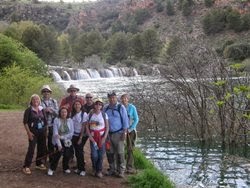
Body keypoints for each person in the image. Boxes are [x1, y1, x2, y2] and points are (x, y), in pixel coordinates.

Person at [103, 91, 129, 178]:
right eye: (110, 97)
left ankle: (121, 170)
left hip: (119, 133)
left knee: (120, 152)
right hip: (108, 134)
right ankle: (112, 169)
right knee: (109, 152)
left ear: (116, 97)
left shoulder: (120, 107)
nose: (112, 99)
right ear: (108, 98)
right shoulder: (106, 108)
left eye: (113, 97)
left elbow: (125, 120)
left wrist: (124, 132)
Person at [22, 94, 47, 175]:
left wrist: (45, 131)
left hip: (42, 132)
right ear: (31, 101)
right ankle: (26, 166)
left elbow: (45, 121)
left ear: (39, 101)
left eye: (37, 99)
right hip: (33, 133)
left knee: (41, 148)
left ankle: (39, 164)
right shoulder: (28, 110)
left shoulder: (42, 109)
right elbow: (25, 122)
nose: (36, 101)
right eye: (34, 99)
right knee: (31, 149)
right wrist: (29, 133)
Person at [86, 98, 109, 178]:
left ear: (102, 106)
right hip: (93, 137)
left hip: (102, 136)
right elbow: (87, 127)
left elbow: (107, 127)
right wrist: (90, 137)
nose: (98, 105)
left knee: (101, 154)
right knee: (94, 155)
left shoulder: (104, 114)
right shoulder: (90, 114)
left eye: (100, 104)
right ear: (94, 105)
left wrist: (104, 137)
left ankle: (99, 170)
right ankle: (94, 168)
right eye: (96, 104)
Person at [47, 106, 74, 176]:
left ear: (67, 113)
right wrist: (59, 145)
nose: (64, 113)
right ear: (60, 113)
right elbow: (55, 134)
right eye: (62, 112)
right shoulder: (56, 120)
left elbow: (71, 133)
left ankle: (65, 168)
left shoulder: (70, 120)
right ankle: (52, 168)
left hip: (67, 139)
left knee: (67, 154)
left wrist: (63, 137)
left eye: (65, 112)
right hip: (57, 140)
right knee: (58, 154)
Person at [120, 93, 139, 174]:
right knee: (121, 149)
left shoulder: (132, 107)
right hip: (121, 131)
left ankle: (130, 167)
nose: (124, 100)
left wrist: (130, 129)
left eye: (125, 98)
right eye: (122, 98)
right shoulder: (120, 107)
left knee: (130, 149)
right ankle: (121, 166)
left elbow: (136, 119)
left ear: (128, 99)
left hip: (131, 131)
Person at [40, 85, 58, 164]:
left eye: (47, 91)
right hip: (42, 126)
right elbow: (35, 112)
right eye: (44, 91)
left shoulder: (54, 101)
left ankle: (51, 158)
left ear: (50, 93)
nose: (46, 93)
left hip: (52, 125)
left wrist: (51, 110)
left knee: (51, 143)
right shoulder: (39, 101)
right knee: (42, 143)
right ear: (42, 93)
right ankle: (43, 158)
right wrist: (44, 110)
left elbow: (58, 113)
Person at [71, 99, 88, 176]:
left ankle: (82, 169)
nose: (77, 106)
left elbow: (84, 127)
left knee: (80, 152)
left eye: (78, 104)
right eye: (75, 104)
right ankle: (79, 167)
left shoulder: (84, 114)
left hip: (80, 136)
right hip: (73, 135)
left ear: (81, 106)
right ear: (74, 106)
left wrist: (80, 137)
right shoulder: (72, 114)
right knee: (77, 152)